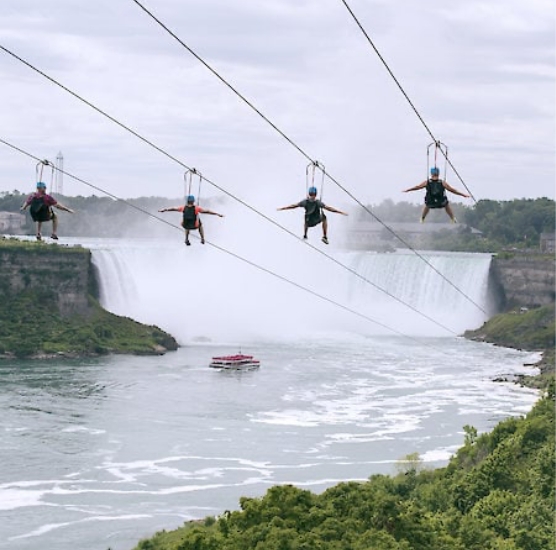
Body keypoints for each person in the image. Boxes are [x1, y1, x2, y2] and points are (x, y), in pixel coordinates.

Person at [277, 186, 348, 244]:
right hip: (315, 220)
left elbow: (294, 205)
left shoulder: (305, 202)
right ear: (315, 194)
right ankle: (324, 237)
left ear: (309, 194)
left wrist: (282, 208)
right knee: (324, 217)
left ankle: (305, 235)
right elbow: (329, 208)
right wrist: (341, 212)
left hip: (309, 223)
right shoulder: (317, 202)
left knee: (306, 218)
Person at [403, 167, 470, 223]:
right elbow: (452, 190)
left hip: (430, 203)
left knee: (427, 204)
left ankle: (422, 218)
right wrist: (463, 195)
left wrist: (408, 190)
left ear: (431, 174)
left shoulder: (427, 182)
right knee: (446, 204)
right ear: (438, 174)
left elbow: (417, 187)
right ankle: (452, 218)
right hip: (441, 202)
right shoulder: (442, 183)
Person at [158, 195, 224, 245]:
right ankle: (202, 239)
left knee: (186, 223)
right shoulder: (197, 208)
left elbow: (173, 208)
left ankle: (186, 239)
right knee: (200, 224)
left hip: (186, 226)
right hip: (195, 226)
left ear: (188, 201)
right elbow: (207, 211)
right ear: (193, 201)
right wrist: (217, 214)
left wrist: (164, 210)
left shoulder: (183, 208)